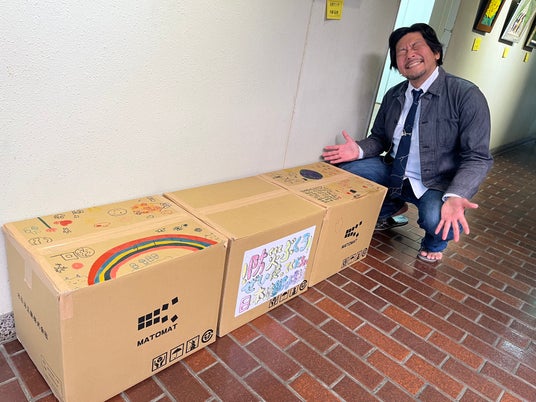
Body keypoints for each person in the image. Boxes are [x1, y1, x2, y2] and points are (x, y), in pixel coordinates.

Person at [322, 23, 493, 263]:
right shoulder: (394, 94)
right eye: (401, 51)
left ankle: (434, 243)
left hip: (437, 181)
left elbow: (478, 157)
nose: (409, 54)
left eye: (416, 46)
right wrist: (358, 149)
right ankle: (392, 206)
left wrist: (457, 194)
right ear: (397, 64)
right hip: (394, 170)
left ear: (436, 52)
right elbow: (380, 138)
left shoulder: (466, 95)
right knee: (347, 173)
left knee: (437, 218)